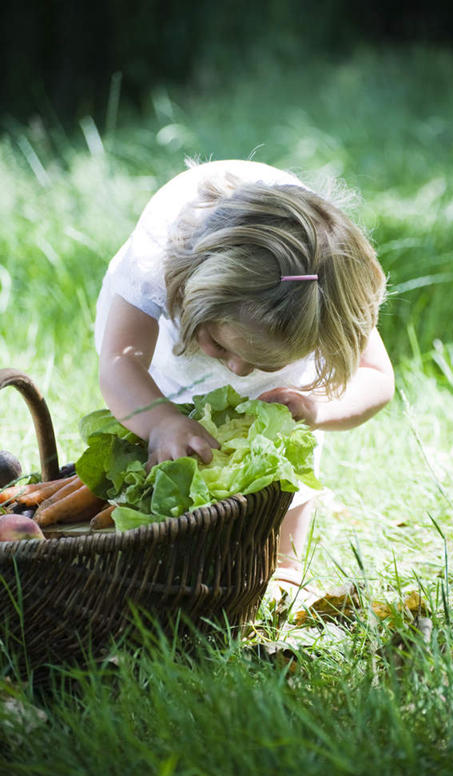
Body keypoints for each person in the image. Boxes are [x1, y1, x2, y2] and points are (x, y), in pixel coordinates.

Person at [94, 158, 394, 589]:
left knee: (285, 438)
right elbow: (121, 359)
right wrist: (160, 420)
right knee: (166, 425)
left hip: (276, 312)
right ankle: (179, 548)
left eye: (263, 362)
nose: (237, 371)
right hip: (162, 348)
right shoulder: (156, 261)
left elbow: (376, 375)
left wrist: (316, 407)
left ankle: (286, 562)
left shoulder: (325, 284)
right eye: (221, 347)